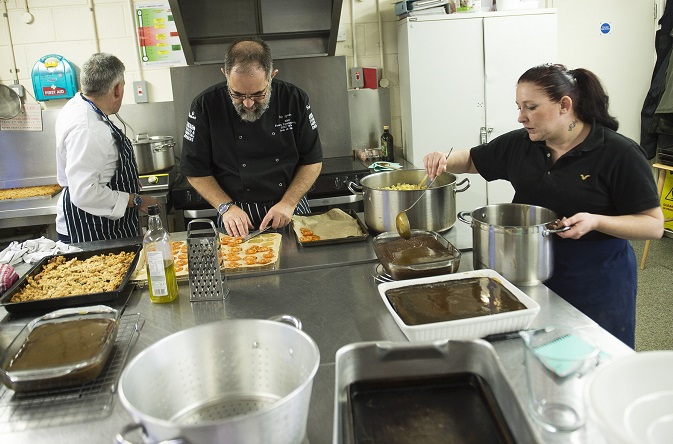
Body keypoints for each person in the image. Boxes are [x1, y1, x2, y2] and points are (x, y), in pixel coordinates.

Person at [424, 64, 664, 348]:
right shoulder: (523, 143)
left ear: (565, 105)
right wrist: (444, 160)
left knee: (592, 360)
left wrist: (596, 221)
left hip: (592, 279)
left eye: (531, 107)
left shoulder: (618, 153)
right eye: (519, 107)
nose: (521, 117)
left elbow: (653, 224)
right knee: (531, 356)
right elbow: (473, 160)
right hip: (526, 271)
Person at [179, 36, 323, 237]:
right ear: (225, 74)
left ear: (272, 75)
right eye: (237, 94)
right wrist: (225, 207)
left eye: (257, 94)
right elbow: (194, 169)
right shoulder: (205, 106)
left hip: (290, 208)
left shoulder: (294, 99)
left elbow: (312, 161)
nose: (247, 103)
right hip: (235, 215)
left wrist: (289, 202)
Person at [55, 53, 157, 243]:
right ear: (117, 89)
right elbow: (85, 192)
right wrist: (136, 199)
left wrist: (127, 179)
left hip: (99, 222)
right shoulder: (88, 128)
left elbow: (99, 165)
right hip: (91, 226)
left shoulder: (78, 104)